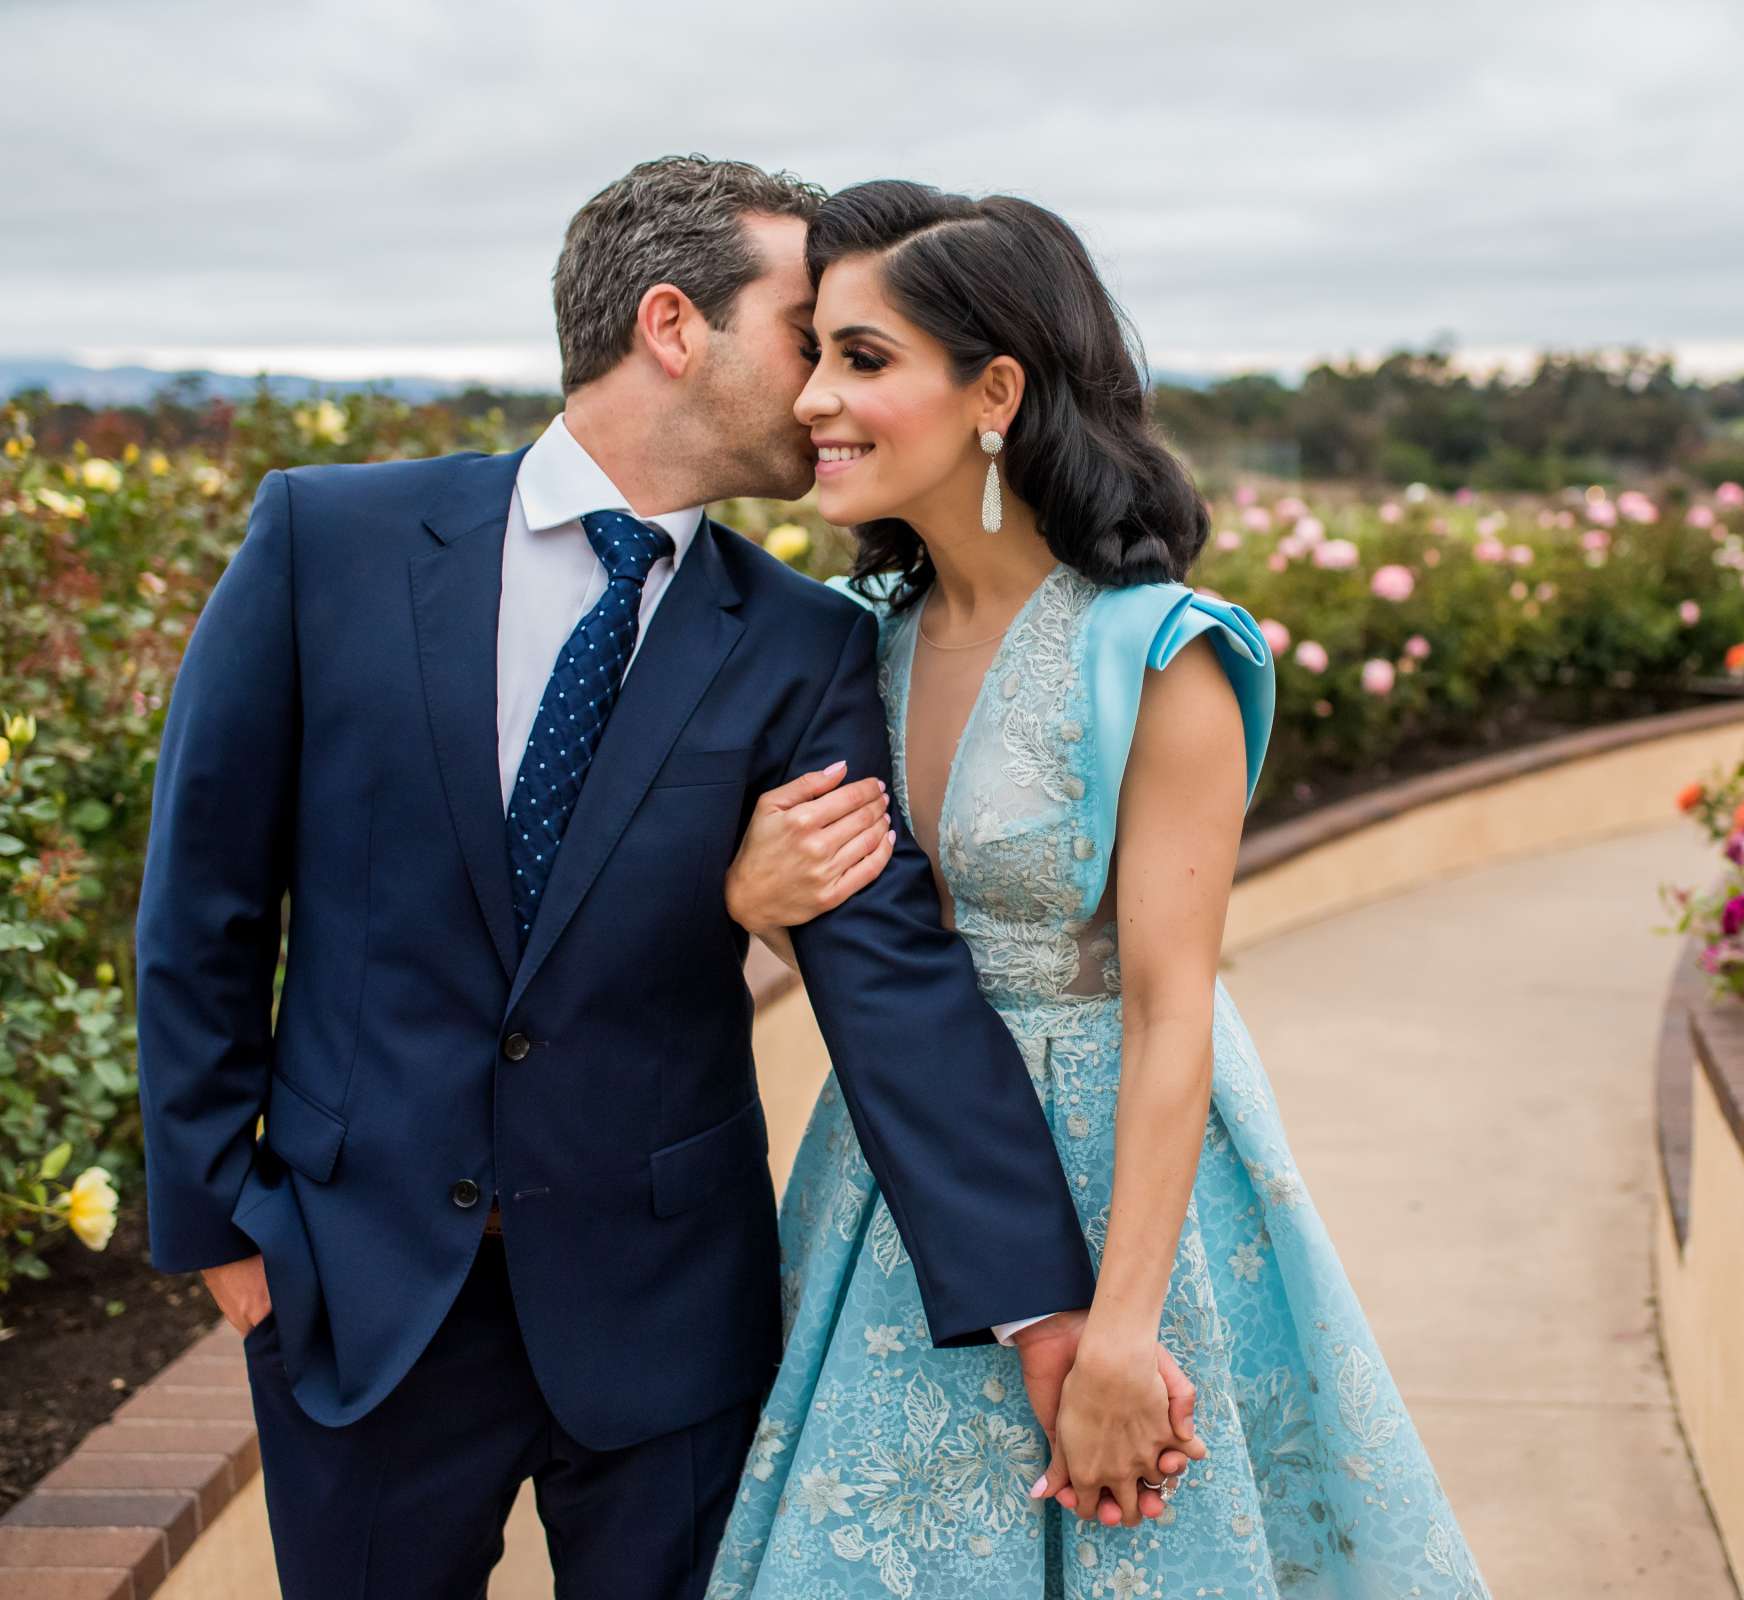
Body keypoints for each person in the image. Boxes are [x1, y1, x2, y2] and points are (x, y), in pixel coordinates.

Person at [133, 155, 1186, 1600]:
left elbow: (890, 977)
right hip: (351, 1284)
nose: (822, 386)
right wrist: (217, 1226)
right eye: (804, 334)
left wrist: (1039, 1309)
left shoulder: (806, 642)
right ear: (673, 325)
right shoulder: (332, 544)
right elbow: (203, 905)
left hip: (665, 1312)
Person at [708, 179, 1489, 1599]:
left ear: (995, 389)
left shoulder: (1157, 653)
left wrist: (1122, 1331)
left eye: (862, 358)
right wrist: (748, 894)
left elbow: (1172, 1010)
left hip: (1128, 1192)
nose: (813, 397)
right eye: (815, 351)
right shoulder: (849, 643)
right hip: (903, 1165)